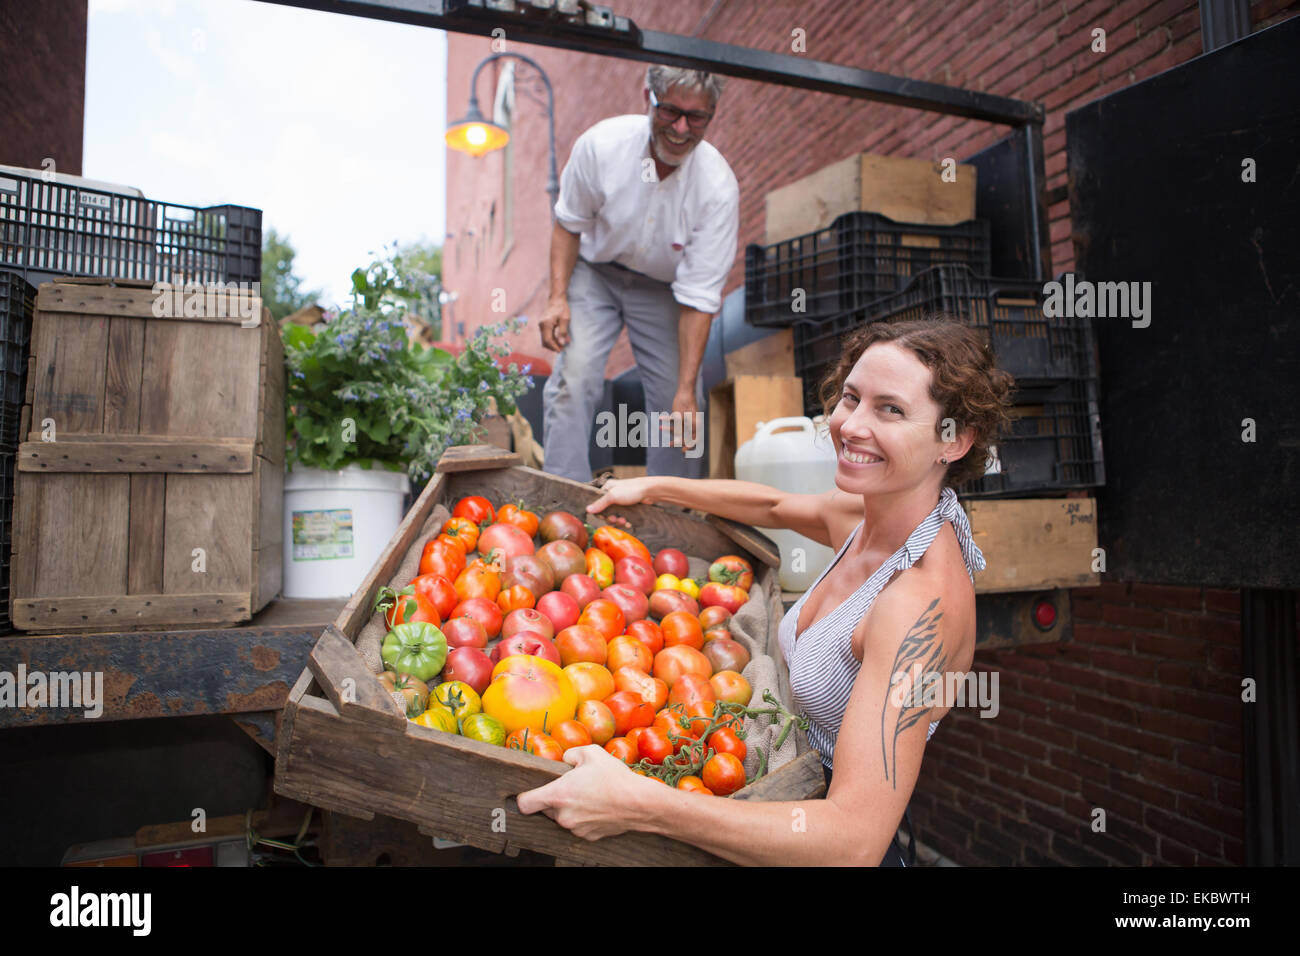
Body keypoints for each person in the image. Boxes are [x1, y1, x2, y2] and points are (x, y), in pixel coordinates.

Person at [517, 317, 1015, 866]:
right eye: (851, 398)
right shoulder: (865, 513)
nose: (851, 425)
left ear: (955, 440)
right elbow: (772, 506)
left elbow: (854, 844)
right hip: (774, 796)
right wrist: (656, 486)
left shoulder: (917, 604)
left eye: (890, 409)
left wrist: (643, 804)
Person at [539, 65, 740, 483]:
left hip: (666, 289)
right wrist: (557, 297)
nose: (682, 128)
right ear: (647, 96)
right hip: (595, 272)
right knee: (573, 377)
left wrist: (687, 389)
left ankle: (670, 514)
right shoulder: (601, 146)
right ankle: (561, 501)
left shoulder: (717, 187)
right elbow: (568, 224)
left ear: (712, 114)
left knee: (682, 402)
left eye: (697, 117)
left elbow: (700, 297)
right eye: (670, 111)